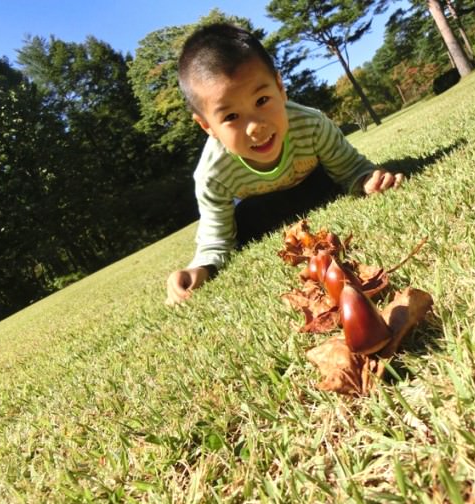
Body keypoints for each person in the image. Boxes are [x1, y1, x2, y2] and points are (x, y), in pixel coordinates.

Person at [165, 22, 404, 305]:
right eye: (230, 117)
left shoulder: (311, 124)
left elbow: (351, 170)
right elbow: (217, 240)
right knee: (246, 223)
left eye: (262, 100)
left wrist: (368, 181)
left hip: (316, 186)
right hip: (260, 216)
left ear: (280, 88)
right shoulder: (212, 173)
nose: (255, 127)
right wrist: (198, 270)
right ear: (207, 126)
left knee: (329, 182)